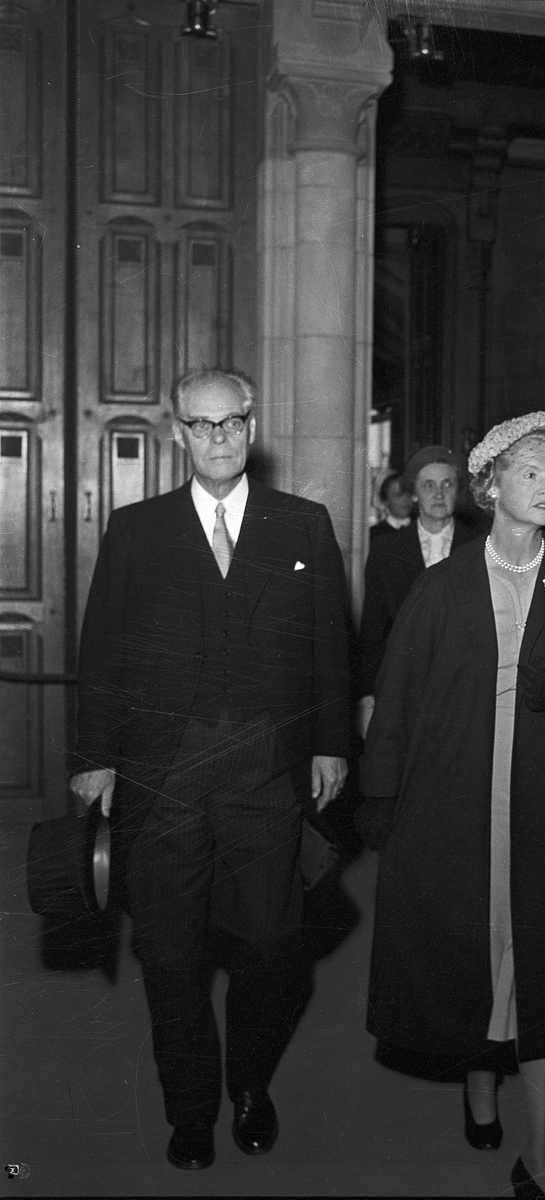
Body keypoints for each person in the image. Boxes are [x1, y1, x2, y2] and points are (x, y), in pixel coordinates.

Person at [69, 368, 352, 1170]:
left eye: (232, 423)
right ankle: (190, 1108)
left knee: (269, 943)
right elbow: (104, 656)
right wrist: (95, 762)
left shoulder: (301, 526)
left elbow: (331, 646)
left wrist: (331, 742)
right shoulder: (137, 530)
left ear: (251, 427)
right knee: (169, 949)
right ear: (179, 435)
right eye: (202, 425)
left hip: (265, 766)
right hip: (164, 770)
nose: (219, 438)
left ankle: (250, 1085)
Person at [358, 412, 545, 1198]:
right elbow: (401, 698)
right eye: (531, 473)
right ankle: (478, 1077)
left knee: (543, 970)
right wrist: (379, 796)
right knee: (473, 956)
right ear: (491, 488)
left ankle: (541, 1152)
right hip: (456, 806)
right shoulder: (442, 584)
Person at [357, 445, 478, 733]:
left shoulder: (479, 547)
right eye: (428, 485)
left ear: (458, 490)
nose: (439, 494)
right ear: (413, 493)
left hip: (464, 692)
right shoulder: (387, 551)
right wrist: (366, 697)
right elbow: (373, 631)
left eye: (447, 484)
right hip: (403, 689)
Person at [370, 472, 415, 541]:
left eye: (408, 493)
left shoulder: (421, 527)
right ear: (385, 501)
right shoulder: (375, 533)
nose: (405, 499)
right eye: (399, 495)